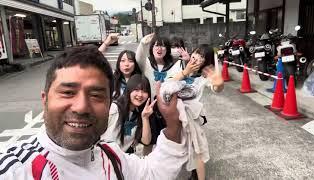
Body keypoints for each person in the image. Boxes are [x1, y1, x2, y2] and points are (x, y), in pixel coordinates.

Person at [0, 46, 188, 179]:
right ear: (45, 99)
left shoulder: (112, 156)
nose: (81, 107)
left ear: (109, 103)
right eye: (67, 92)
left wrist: (172, 122)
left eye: (96, 95)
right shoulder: (17, 169)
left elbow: (152, 173)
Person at [169, 44, 224, 180]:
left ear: (206, 62)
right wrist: (185, 71)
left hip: (192, 117)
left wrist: (219, 84)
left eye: (202, 57)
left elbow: (216, 88)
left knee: (197, 148)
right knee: (176, 148)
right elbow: (168, 84)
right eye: (196, 53)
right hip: (174, 115)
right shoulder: (180, 66)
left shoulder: (204, 76)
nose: (197, 57)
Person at [136, 33, 185, 154]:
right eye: (156, 45)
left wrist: (186, 61)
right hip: (150, 108)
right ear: (151, 48)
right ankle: (146, 165)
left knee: (167, 141)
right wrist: (143, 44)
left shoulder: (174, 65)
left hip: (167, 109)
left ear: (167, 50)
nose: (159, 48)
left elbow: (184, 77)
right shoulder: (146, 63)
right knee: (148, 141)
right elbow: (138, 58)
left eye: (163, 46)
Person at [101, 74, 156, 153]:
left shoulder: (140, 114)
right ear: (129, 90)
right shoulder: (114, 109)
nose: (140, 94)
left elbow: (146, 141)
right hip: (103, 157)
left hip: (120, 160)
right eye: (136, 90)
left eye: (144, 91)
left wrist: (145, 118)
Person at [98, 34, 142, 99]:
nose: (126, 64)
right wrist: (106, 43)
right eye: (123, 61)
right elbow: (96, 58)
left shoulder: (140, 80)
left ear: (135, 64)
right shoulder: (112, 78)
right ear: (118, 63)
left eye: (130, 61)